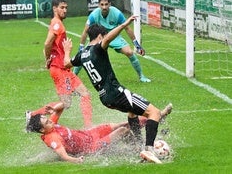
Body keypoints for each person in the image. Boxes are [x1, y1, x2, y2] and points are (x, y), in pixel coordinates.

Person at [63, 15, 172, 163]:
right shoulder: (98, 48)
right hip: (116, 92)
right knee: (154, 112)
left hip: (105, 98)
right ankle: (149, 149)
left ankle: (137, 145)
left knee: (133, 112)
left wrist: (67, 50)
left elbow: (66, 64)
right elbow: (108, 39)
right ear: (100, 36)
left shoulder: (82, 54)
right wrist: (124, 24)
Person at [26, 101, 172, 163]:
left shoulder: (51, 125)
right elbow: (63, 155)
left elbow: (63, 105)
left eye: (48, 118)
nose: (50, 120)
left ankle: (158, 117)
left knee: (123, 123)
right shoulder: (52, 138)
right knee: (123, 131)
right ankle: (139, 149)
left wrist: (54, 108)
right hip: (91, 146)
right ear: (41, 130)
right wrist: (76, 160)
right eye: (46, 121)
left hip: (89, 134)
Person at [73, 0, 151, 83]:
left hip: (114, 37)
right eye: (102, 5)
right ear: (98, 5)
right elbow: (85, 31)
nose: (104, 7)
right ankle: (73, 76)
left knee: (129, 52)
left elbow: (127, 28)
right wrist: (81, 47)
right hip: (100, 37)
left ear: (110, 4)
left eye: (106, 4)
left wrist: (136, 45)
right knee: (84, 54)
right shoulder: (94, 15)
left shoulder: (117, 13)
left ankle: (141, 76)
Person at [43, 0, 92, 128]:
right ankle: (34, 115)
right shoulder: (57, 24)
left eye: (66, 8)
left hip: (63, 69)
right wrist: (48, 59)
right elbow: (47, 43)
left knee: (85, 94)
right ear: (55, 9)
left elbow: (48, 46)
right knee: (66, 103)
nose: (65, 10)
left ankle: (88, 127)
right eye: (62, 8)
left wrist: (47, 57)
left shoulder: (56, 22)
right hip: (59, 69)